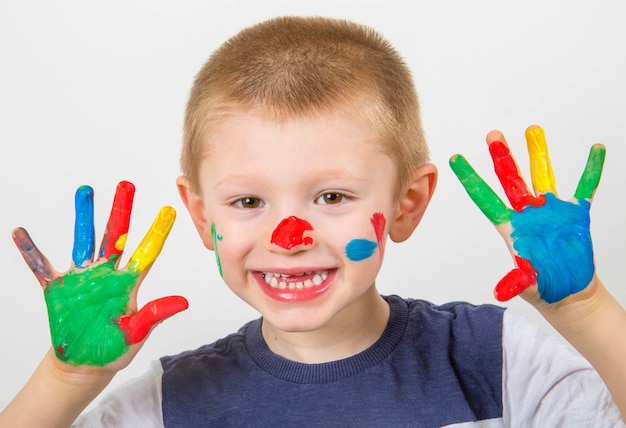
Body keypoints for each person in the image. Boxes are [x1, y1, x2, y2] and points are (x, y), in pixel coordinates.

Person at [1, 15, 625, 427]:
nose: (288, 238)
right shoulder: (168, 405)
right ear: (200, 216)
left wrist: (586, 309)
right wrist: (68, 377)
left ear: (407, 203)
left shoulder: (496, 360)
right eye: (248, 202)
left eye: (330, 197)